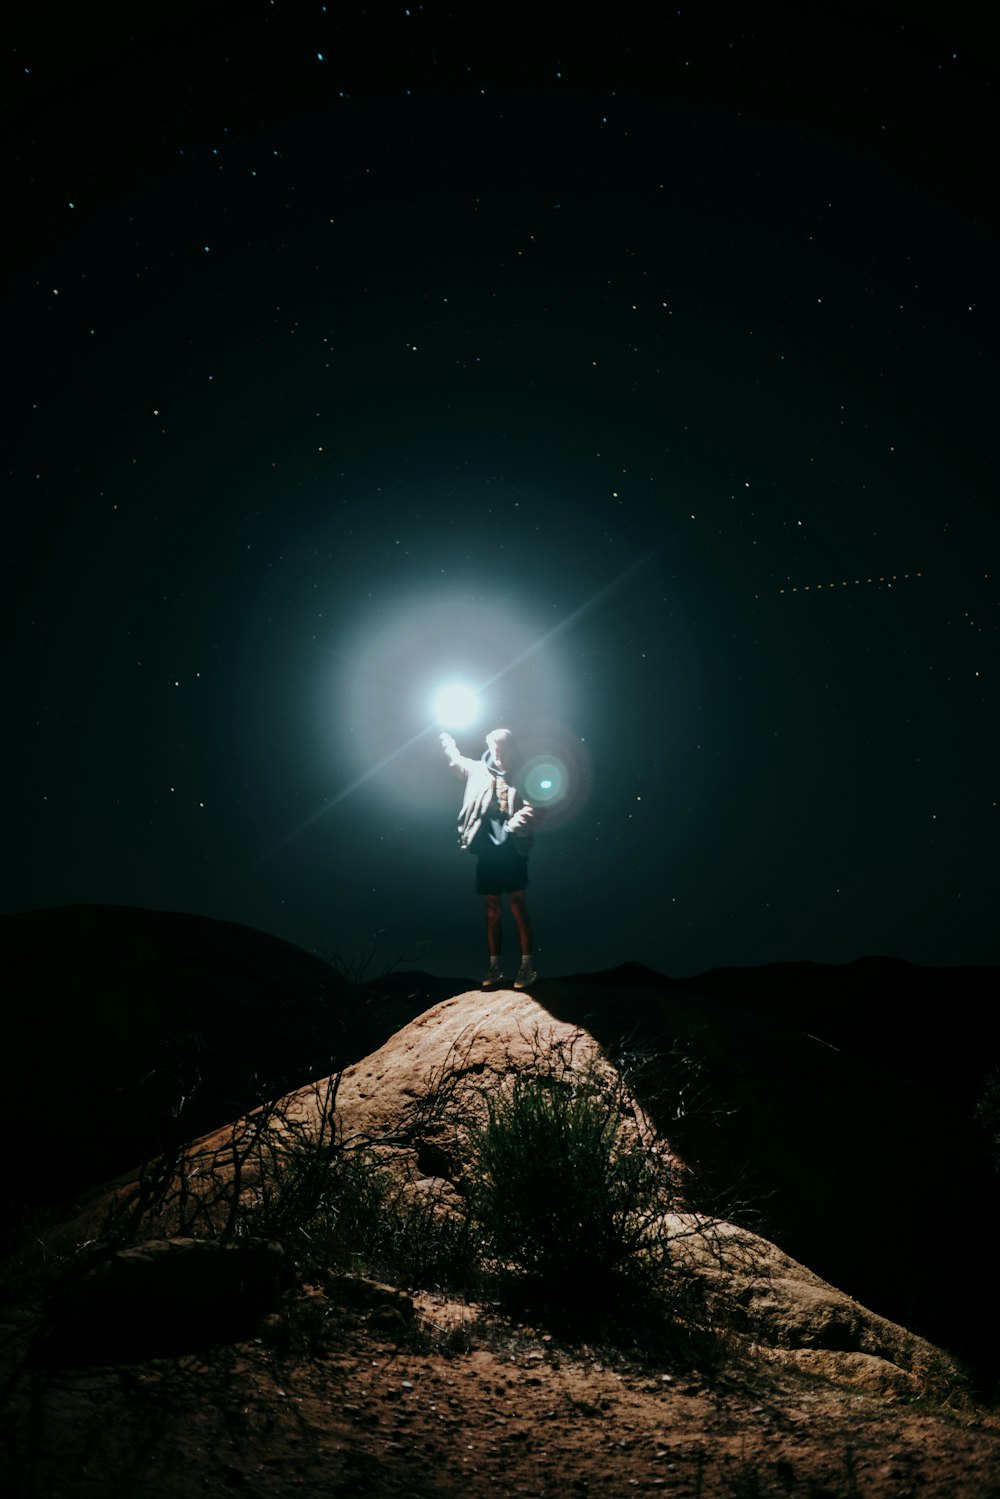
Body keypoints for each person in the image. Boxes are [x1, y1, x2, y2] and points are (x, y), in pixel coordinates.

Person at [439, 726, 538, 989]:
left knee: (517, 904)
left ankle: (526, 967)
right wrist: (445, 740)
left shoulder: (524, 775)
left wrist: (518, 822)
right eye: (496, 751)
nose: (500, 757)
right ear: (490, 749)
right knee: (492, 909)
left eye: (505, 752)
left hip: (514, 849)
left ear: (513, 750)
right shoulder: (477, 771)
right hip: (486, 851)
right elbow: (454, 761)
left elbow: (538, 805)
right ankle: (495, 969)